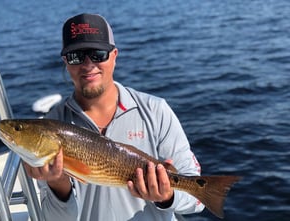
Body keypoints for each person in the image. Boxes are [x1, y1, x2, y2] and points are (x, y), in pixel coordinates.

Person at [24, 13, 205, 221]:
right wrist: (57, 185)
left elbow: (197, 199)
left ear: (114, 55)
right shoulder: (51, 127)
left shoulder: (156, 111)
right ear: (66, 62)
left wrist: (168, 196)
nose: (88, 65)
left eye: (98, 54)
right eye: (76, 56)